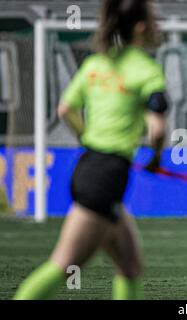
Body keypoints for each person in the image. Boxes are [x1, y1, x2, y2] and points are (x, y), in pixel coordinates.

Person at [14, 0, 168, 300]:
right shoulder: (146, 70)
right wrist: (156, 157)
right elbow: (158, 129)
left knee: (130, 266)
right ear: (140, 27)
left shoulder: (95, 64)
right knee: (64, 264)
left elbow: (65, 109)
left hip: (89, 166)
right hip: (107, 177)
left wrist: (88, 137)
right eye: (153, 19)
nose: (157, 24)